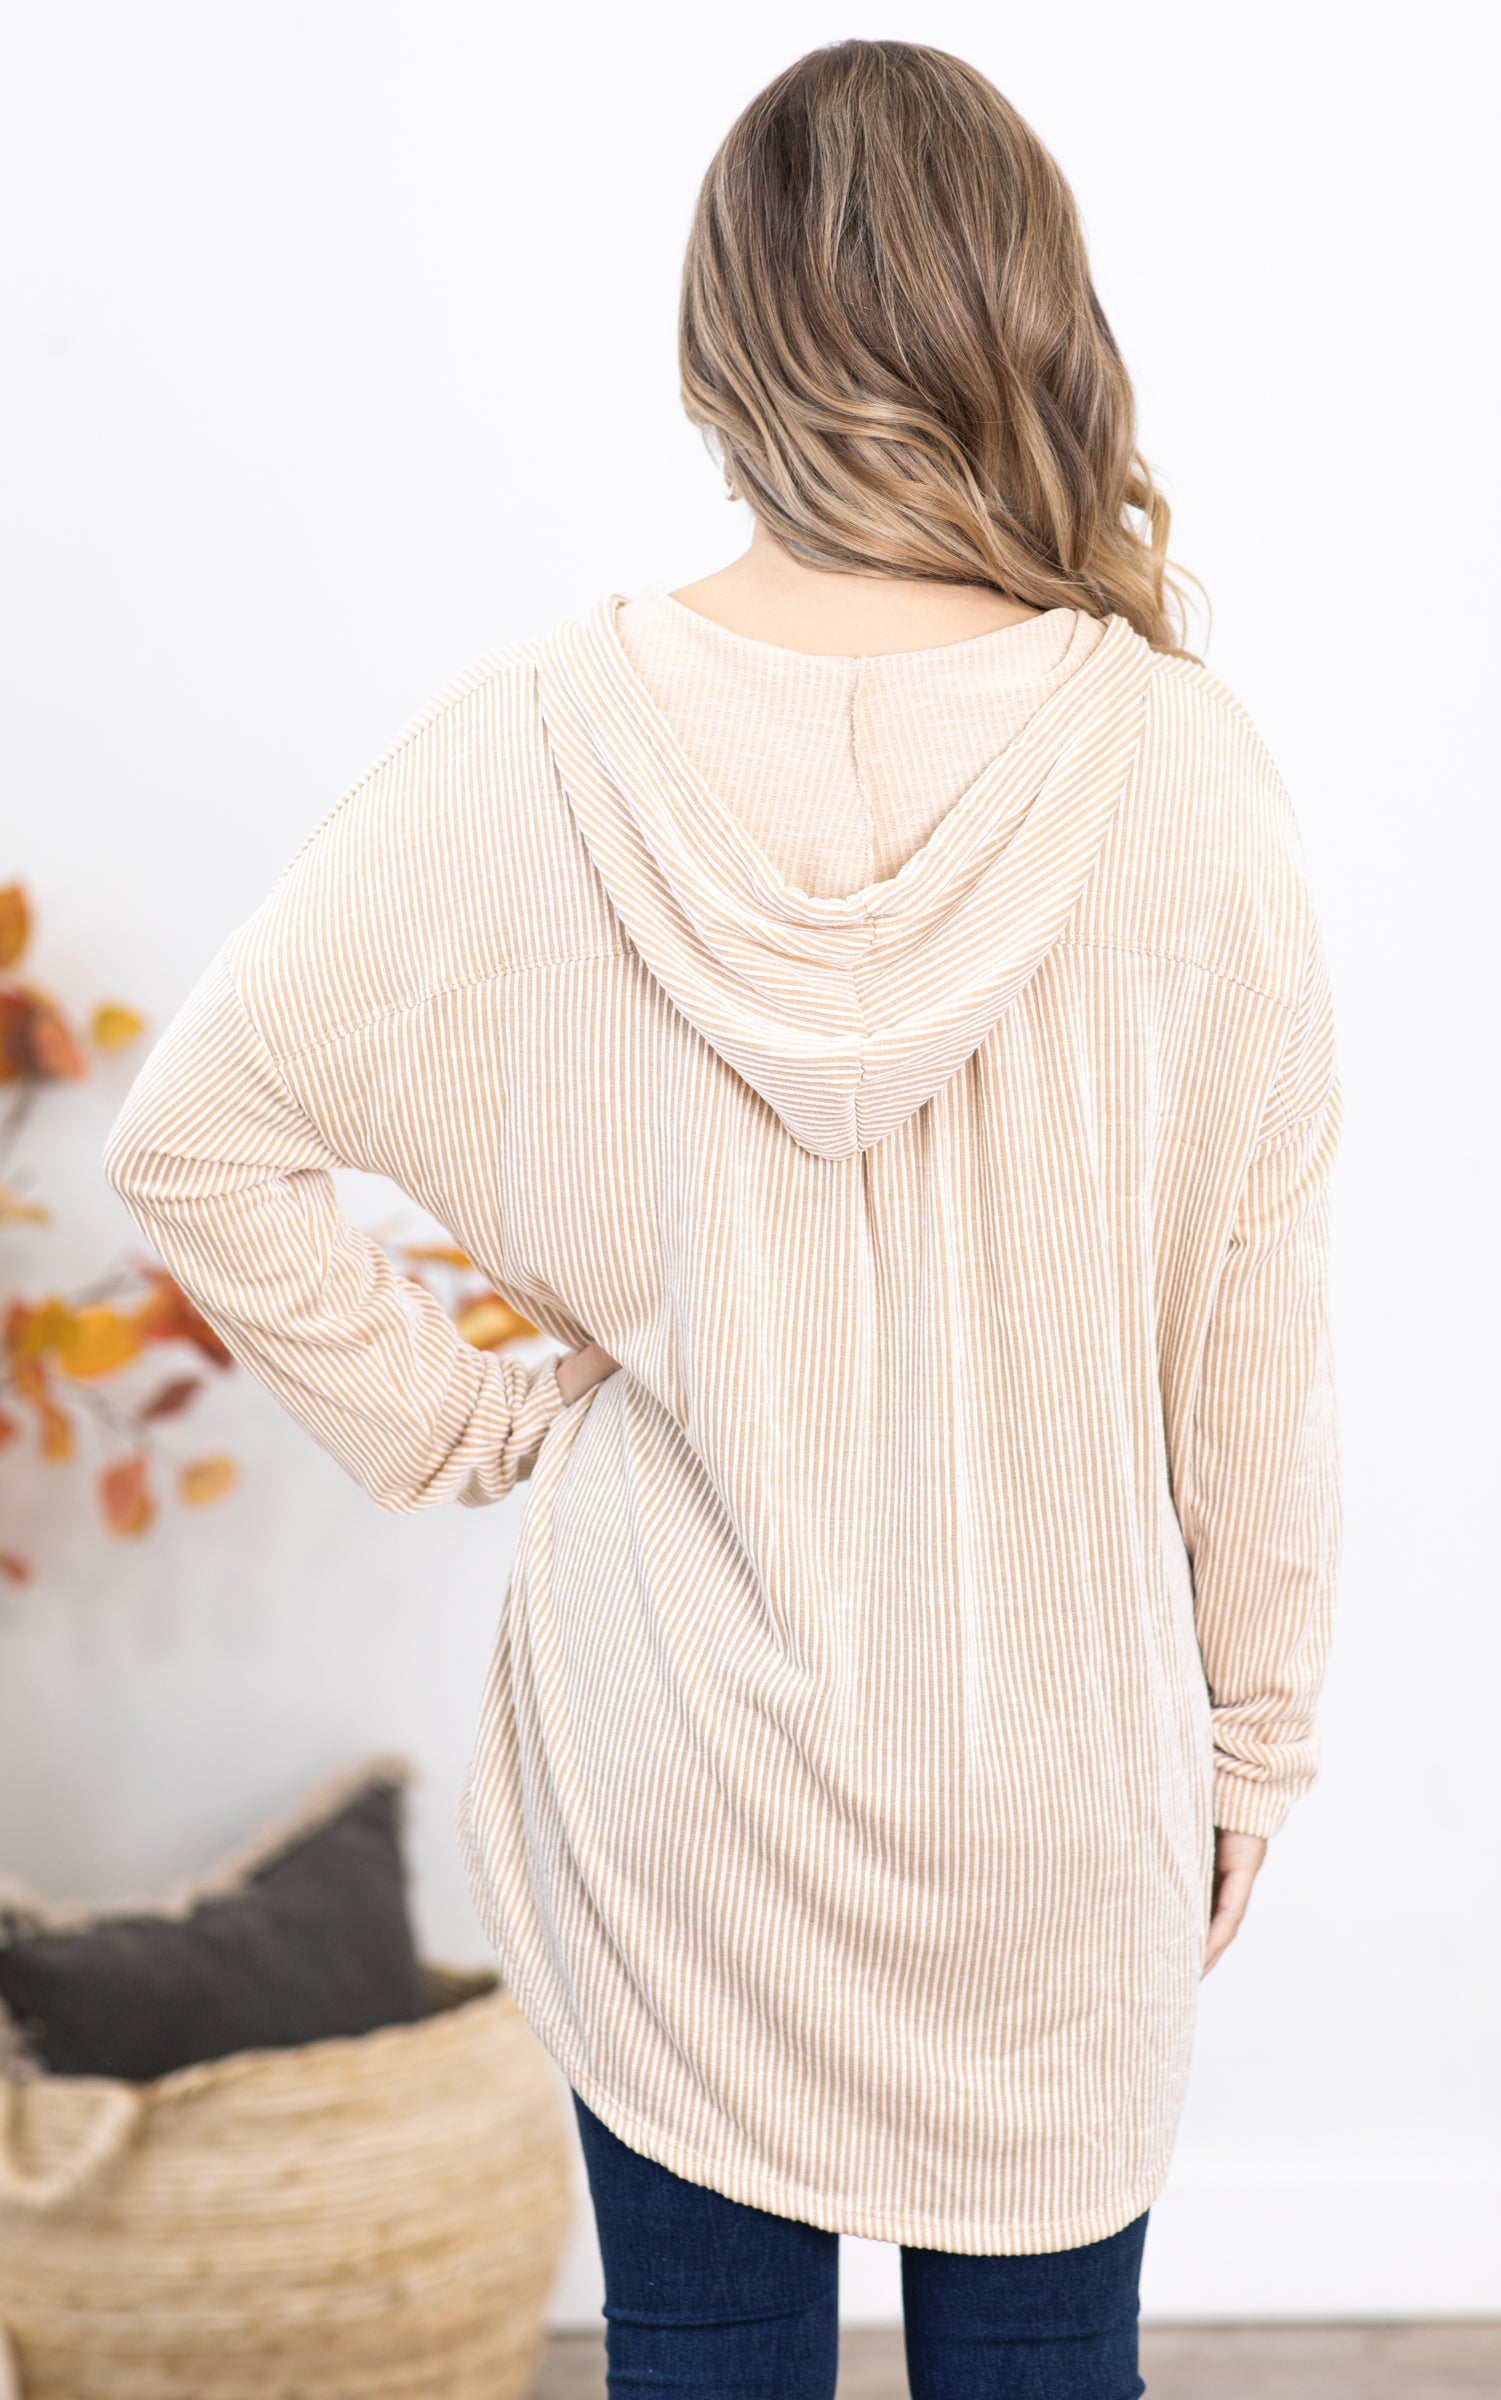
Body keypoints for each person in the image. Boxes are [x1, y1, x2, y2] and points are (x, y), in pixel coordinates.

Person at [102, 38, 1343, 2400]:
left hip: (673, 1752)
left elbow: (198, 1133)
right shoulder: (1183, 770)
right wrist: (1253, 1737)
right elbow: (1247, 1331)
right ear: (1030, 318)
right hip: (1051, 1770)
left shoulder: (536, 739)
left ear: (718, 353)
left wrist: (468, 1422)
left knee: (692, 2359)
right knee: (1048, 2365)